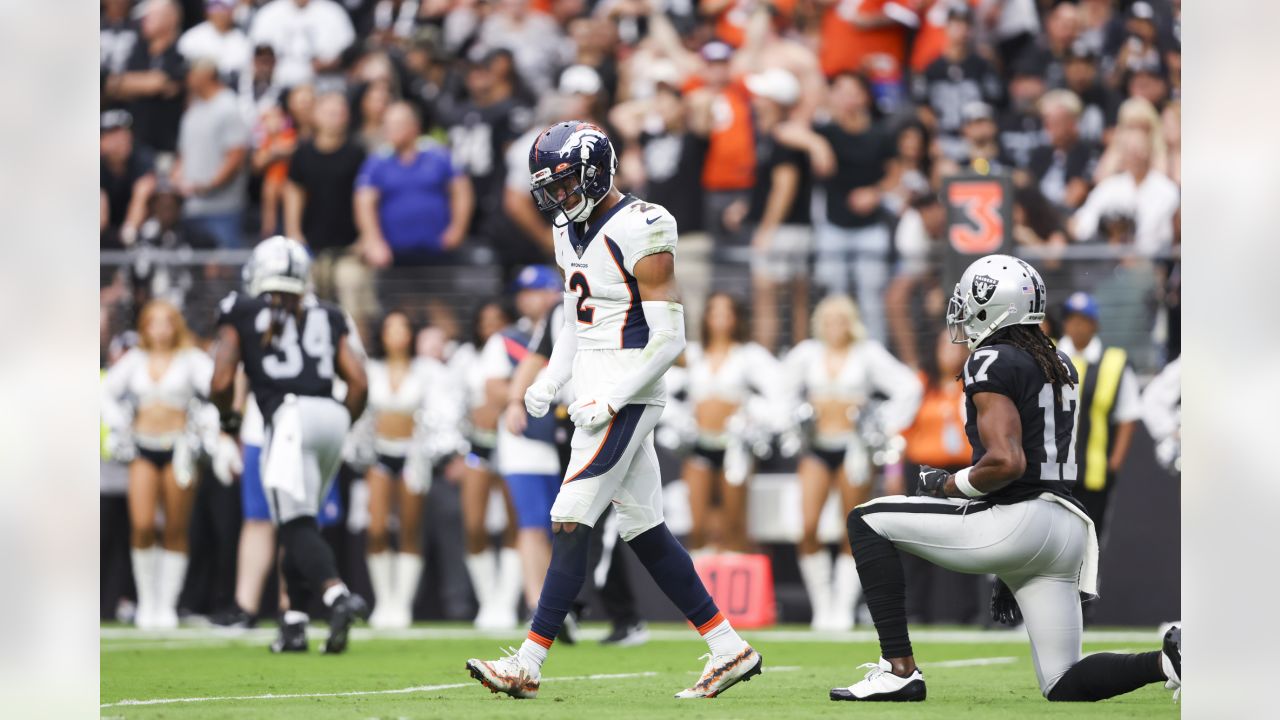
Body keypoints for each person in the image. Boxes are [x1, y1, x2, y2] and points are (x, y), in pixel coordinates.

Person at [465, 121, 762, 699]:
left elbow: (671, 340)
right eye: (550, 186)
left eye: (567, 182)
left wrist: (615, 396)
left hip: (627, 389)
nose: (557, 196)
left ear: (597, 172)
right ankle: (729, 648)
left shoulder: (642, 225)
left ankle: (528, 662)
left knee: (571, 518)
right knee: (644, 527)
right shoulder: (565, 232)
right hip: (593, 390)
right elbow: (580, 320)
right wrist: (552, 380)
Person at [830, 253, 1180, 703]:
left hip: (1019, 521)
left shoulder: (991, 358)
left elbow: (1006, 462)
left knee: (865, 519)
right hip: (1067, 527)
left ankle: (898, 671)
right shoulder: (1057, 359)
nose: (960, 312)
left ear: (995, 305)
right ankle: (1169, 658)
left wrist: (949, 485)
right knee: (1064, 681)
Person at [209, 236, 371, 654]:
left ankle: (336, 596)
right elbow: (358, 382)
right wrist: (341, 422)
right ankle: (295, 622)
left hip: (289, 418)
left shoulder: (241, 308)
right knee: (301, 522)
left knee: (294, 523)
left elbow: (221, 381)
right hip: (330, 414)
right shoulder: (329, 312)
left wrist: (228, 420)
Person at [782, 294, 921, 631]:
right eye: (829, 320)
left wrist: (880, 423)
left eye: (841, 320)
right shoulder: (806, 354)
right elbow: (779, 390)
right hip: (816, 446)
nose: (835, 327)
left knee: (852, 525)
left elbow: (910, 386)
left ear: (852, 322)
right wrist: (794, 422)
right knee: (808, 525)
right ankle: (822, 603)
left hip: (854, 447)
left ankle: (843, 607)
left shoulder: (868, 353)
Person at [102, 300, 213, 629]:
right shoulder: (134, 360)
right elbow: (104, 392)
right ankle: (147, 601)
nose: (161, 329)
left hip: (179, 448)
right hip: (143, 448)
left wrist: (207, 426)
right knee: (142, 524)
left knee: (176, 527)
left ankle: (167, 603)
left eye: (167, 322)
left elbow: (216, 390)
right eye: (154, 322)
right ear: (145, 327)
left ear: (176, 325)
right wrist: (119, 421)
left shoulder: (192, 359)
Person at [484, 269, 563, 622]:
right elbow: (494, 389)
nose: (535, 298)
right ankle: (537, 602)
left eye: (542, 291)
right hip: (525, 441)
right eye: (527, 292)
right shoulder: (505, 339)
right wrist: (536, 392)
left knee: (564, 526)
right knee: (532, 523)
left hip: (567, 438)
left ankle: (561, 602)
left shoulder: (571, 330)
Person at [680, 293, 782, 554]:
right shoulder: (693, 353)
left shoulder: (749, 355)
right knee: (698, 526)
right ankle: (699, 589)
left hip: (735, 448)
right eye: (715, 311)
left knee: (734, 525)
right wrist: (680, 419)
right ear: (706, 317)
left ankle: (735, 589)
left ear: (737, 318)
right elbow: (661, 386)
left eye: (727, 312)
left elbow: (782, 392)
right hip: (699, 445)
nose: (721, 318)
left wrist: (753, 416)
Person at [898, 330, 980, 625]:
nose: (951, 352)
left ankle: (968, 611)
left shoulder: (974, 384)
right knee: (917, 541)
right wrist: (894, 471)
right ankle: (915, 610)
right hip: (923, 470)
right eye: (944, 345)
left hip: (962, 470)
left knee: (966, 539)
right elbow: (901, 430)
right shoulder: (921, 385)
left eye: (957, 346)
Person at [458, 299, 524, 630]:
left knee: (516, 523)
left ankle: (506, 601)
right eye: (485, 320)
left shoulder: (518, 351)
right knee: (474, 524)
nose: (491, 326)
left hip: (513, 443)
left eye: (498, 318)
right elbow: (454, 405)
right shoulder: (464, 358)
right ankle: (488, 599)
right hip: (478, 445)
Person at [1056, 292, 1141, 545]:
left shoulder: (1114, 362)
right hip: (1052, 471)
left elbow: (1128, 415)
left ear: (1096, 324)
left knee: (1089, 543)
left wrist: (1114, 463)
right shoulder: (1049, 355)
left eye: (1083, 319)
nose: (1077, 325)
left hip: (1094, 471)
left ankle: (1086, 587)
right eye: (1071, 319)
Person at [283, 92, 373, 324]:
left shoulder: (358, 153)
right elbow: (294, 191)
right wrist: (294, 233)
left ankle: (358, 355)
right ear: (315, 116)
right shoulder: (303, 153)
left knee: (353, 299)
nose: (335, 117)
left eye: (340, 112)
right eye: (329, 112)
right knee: (306, 307)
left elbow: (366, 197)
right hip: (311, 248)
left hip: (350, 249)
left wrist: (366, 237)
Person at [354, 102, 474, 267]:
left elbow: (461, 191)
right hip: (393, 253)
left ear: (414, 127)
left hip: (439, 248)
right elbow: (364, 203)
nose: (390, 130)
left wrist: (458, 229)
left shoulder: (438, 155)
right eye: (387, 124)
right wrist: (374, 241)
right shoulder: (377, 162)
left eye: (397, 124)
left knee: (439, 291)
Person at [172, 59, 251, 249]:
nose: (187, 78)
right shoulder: (194, 108)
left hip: (223, 209)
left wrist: (207, 186)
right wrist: (175, 180)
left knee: (224, 272)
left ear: (205, 75)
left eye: (190, 73)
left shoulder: (228, 106)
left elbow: (236, 156)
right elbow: (184, 154)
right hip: (190, 207)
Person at [1070, 128, 1178, 256]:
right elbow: (1080, 223)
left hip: (1152, 264)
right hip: (1108, 262)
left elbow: (1166, 238)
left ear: (1150, 151)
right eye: (1129, 150)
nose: (1134, 156)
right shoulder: (1109, 186)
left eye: (1139, 150)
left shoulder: (1167, 190)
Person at [104, 0, 187, 155]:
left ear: (170, 19)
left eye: (151, 16)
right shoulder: (139, 52)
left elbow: (160, 83)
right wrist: (142, 83)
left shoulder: (181, 50)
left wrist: (129, 84)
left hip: (167, 148)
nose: (144, 20)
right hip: (135, 146)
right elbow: (111, 86)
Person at [249, 0, 356, 88]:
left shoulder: (332, 12)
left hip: (324, 87)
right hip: (279, 88)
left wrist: (331, 64)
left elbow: (350, 53)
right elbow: (257, 57)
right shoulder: (268, 14)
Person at [100, 110, 156, 250]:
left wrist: (128, 233)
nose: (122, 139)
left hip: (136, 230)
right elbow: (101, 215)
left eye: (124, 133)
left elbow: (141, 194)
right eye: (114, 134)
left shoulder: (141, 157)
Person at [177, 0, 251, 84]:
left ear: (232, 11)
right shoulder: (191, 37)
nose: (219, 13)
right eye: (214, 7)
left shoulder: (242, 42)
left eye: (223, 8)